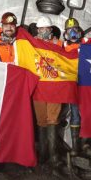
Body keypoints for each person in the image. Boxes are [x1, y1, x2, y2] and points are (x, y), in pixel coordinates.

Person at [33, 16, 62, 165]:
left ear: (51, 30)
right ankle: (43, 153)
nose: (44, 31)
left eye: (47, 29)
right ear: (38, 30)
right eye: (41, 29)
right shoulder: (32, 44)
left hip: (55, 87)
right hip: (38, 87)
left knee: (53, 119)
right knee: (41, 121)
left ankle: (53, 153)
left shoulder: (59, 44)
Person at [63, 17, 88, 156]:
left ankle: (85, 142)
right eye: (69, 30)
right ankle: (75, 146)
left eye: (75, 29)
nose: (73, 32)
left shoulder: (87, 42)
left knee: (87, 113)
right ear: (65, 33)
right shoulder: (62, 46)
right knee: (75, 114)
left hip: (87, 84)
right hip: (72, 85)